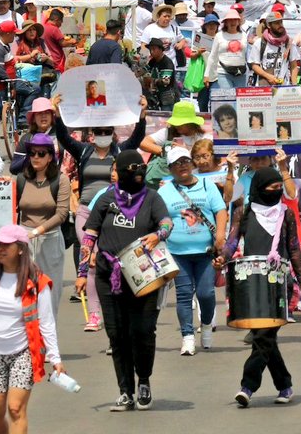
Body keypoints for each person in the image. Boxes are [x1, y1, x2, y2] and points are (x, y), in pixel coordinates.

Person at [75, 150, 173, 412]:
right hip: (109, 276)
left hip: (143, 276)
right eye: (131, 170)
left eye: (141, 169)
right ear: (118, 172)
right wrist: (82, 273)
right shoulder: (106, 199)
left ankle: (144, 381)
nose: (138, 174)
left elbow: (166, 222)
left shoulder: (152, 198)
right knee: (117, 335)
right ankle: (125, 391)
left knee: (142, 331)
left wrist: (159, 235)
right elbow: (89, 237)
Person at [216, 167, 301, 407]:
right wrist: (222, 258)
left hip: (279, 283)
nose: (277, 192)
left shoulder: (286, 214)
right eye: (272, 188)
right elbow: (232, 242)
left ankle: (247, 387)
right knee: (265, 337)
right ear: (259, 189)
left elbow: (294, 250)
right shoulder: (244, 212)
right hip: (251, 283)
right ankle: (285, 384)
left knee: (263, 336)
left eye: (280, 188)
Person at [53, 92, 147, 332]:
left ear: (112, 133)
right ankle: (94, 315)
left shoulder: (120, 152)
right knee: (92, 261)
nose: (103, 134)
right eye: (99, 131)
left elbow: (137, 138)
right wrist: (57, 114)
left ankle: (117, 311)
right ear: (92, 133)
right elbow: (63, 137)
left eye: (107, 131)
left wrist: (142, 115)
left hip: (113, 214)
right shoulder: (84, 152)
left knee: (115, 261)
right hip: (86, 212)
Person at [0, 224, 65, 432]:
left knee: (15, 409)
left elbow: (46, 322)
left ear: (20, 249)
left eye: (6, 245)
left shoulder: (37, 282)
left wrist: (55, 358)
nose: (0, 248)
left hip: (22, 353)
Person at [158, 147, 227, 355]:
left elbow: (220, 211)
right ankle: (187, 336)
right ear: (170, 168)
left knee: (206, 293)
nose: (182, 166)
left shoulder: (207, 185)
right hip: (178, 252)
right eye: (177, 163)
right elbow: (158, 218)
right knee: (184, 294)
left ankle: (206, 325)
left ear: (192, 163)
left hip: (205, 251)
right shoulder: (164, 191)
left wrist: (220, 235)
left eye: (185, 161)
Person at [14, 134, 70, 320]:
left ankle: (48, 336)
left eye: (41, 153)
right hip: (24, 242)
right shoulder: (22, 179)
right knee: (23, 293)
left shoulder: (61, 180)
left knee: (49, 294)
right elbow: (11, 208)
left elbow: (61, 214)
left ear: (50, 157)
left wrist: (37, 231)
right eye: (32, 153)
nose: (35, 157)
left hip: (50, 241)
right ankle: (28, 336)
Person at [248, 12, 300, 87]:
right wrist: (268, 77)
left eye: (281, 22)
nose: (280, 25)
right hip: (264, 86)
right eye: (277, 23)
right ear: (269, 25)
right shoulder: (259, 43)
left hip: (284, 86)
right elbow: (254, 65)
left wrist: (294, 85)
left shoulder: (289, 42)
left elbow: (293, 65)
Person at [203, 9, 249, 96]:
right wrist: (206, 75)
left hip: (241, 73)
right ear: (226, 22)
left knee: (240, 99)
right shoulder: (219, 36)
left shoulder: (244, 35)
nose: (233, 22)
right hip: (223, 72)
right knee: (228, 98)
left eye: (235, 20)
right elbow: (212, 56)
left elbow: (247, 55)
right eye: (230, 20)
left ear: (238, 22)